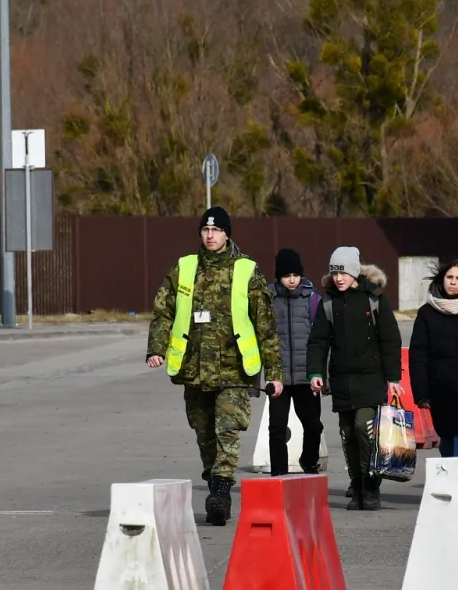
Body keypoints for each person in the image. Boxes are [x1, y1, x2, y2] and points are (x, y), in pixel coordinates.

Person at [145, 206, 281, 526]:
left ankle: (220, 492)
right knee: (204, 432)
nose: (210, 236)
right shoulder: (185, 267)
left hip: (234, 370)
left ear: (227, 234)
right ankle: (214, 482)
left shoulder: (246, 270)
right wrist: (157, 348)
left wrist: (275, 372)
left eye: (216, 231)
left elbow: (266, 325)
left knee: (227, 430)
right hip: (193, 369)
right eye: (205, 231)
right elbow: (164, 309)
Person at [307, 246, 404, 511]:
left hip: (370, 379)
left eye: (344, 273)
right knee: (348, 433)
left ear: (354, 272)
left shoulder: (373, 299)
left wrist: (394, 378)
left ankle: (371, 486)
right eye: (335, 273)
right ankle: (357, 484)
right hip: (341, 381)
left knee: (364, 428)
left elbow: (390, 340)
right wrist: (316, 372)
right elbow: (317, 341)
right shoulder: (328, 303)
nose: (339, 278)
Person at [409, 259, 458, 458]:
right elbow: (418, 355)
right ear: (442, 280)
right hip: (440, 388)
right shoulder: (427, 313)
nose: (453, 282)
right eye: (449, 277)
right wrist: (421, 393)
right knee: (448, 438)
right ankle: (451, 482)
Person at [267, 248, 325, 476]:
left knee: (313, 426)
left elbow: (321, 339)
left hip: (306, 376)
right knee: (277, 429)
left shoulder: (312, 299)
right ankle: (278, 476)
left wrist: (318, 372)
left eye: (295, 274)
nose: (292, 279)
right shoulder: (269, 299)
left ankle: (309, 461)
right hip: (278, 377)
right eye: (286, 275)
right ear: (279, 276)